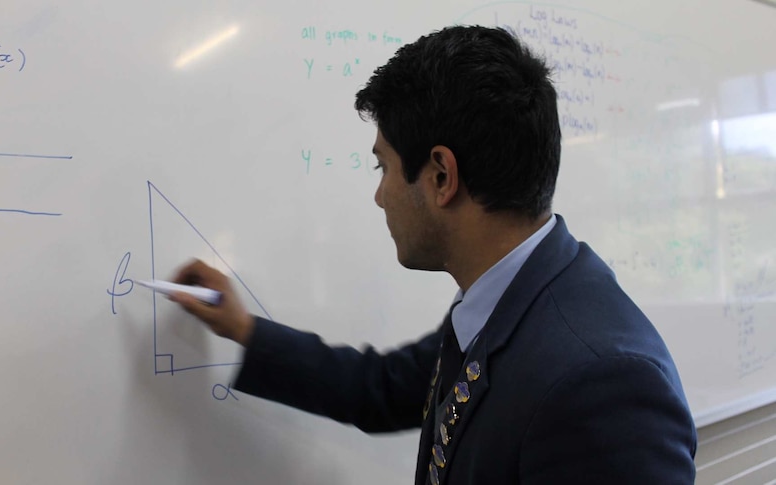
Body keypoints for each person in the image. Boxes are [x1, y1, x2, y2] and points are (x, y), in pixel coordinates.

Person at [168, 25, 697, 484]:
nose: (380, 195)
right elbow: (380, 389)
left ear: (441, 177)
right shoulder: (504, 301)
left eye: (384, 169)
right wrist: (242, 328)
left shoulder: (601, 381)